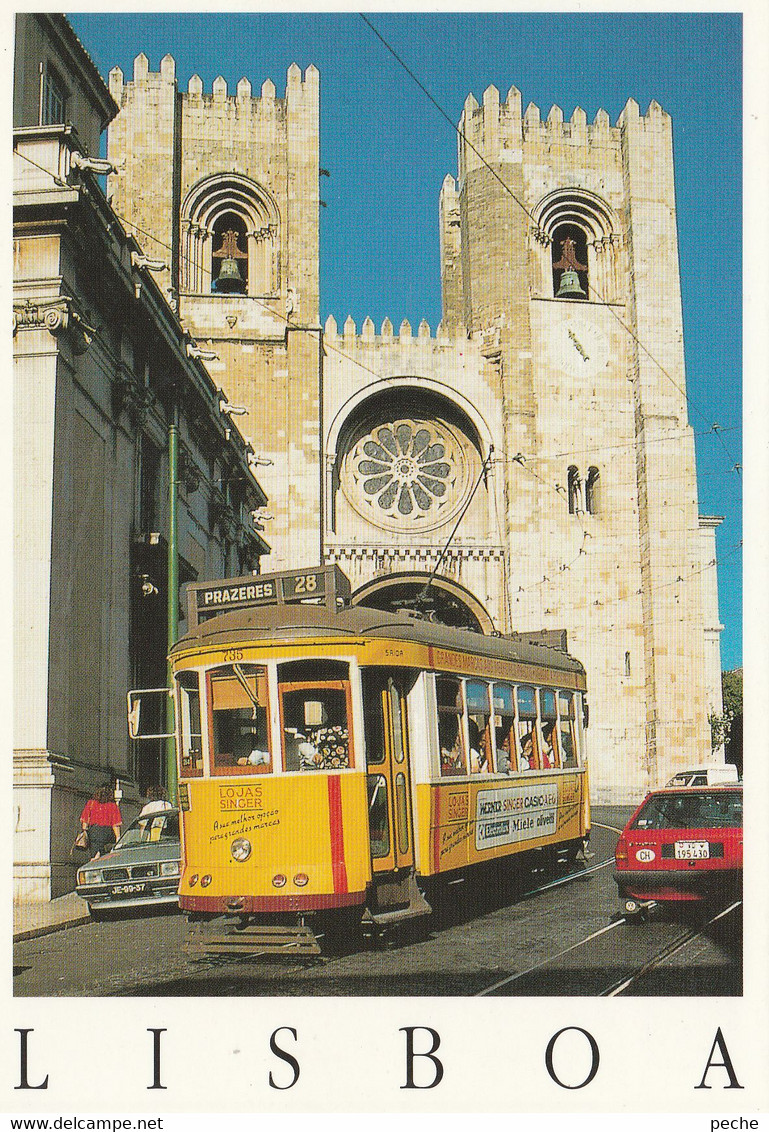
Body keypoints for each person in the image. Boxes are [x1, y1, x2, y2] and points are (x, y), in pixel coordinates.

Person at [80, 784, 122, 859]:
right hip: (108, 833)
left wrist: (84, 831)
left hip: (94, 832)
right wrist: (118, 838)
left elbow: (85, 820)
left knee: (94, 856)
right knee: (107, 856)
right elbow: (116, 824)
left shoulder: (91, 803)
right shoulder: (113, 806)